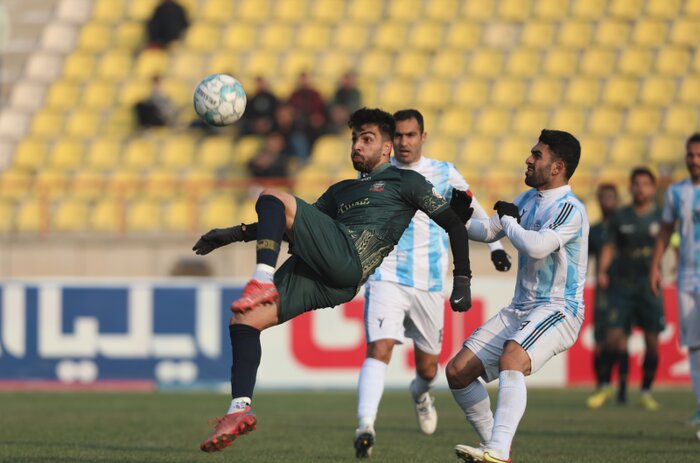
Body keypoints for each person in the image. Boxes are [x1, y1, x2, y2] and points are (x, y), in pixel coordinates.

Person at [191, 108, 474, 453]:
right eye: (354, 138)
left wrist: (462, 279)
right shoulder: (341, 190)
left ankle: (262, 279)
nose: (357, 145)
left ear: (387, 148)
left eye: (366, 139)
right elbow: (282, 219)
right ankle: (239, 409)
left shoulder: (407, 182)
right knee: (243, 321)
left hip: (350, 259)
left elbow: (454, 224)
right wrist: (232, 234)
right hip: (332, 281)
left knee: (271, 194)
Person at [354, 109, 512, 458]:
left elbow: (473, 209)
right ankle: (365, 426)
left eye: (411, 135)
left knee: (428, 368)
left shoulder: (443, 172)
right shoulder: (380, 172)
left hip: (429, 282)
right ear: (389, 139)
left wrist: (496, 246)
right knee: (379, 348)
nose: (404, 142)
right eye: (398, 136)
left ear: (423, 137)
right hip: (387, 275)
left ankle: (421, 393)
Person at [446, 129, 588, 463]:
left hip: (559, 309)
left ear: (557, 167)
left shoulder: (571, 209)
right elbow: (487, 231)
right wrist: (455, 218)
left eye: (537, 155)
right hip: (521, 308)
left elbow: (536, 247)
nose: (528, 158)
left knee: (513, 357)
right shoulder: (526, 201)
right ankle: (495, 449)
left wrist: (508, 221)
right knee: (457, 372)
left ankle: (497, 449)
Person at [589, 167, 663, 411]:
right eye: (636, 184)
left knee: (652, 343)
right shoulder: (621, 217)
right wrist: (602, 271)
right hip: (622, 287)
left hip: (649, 288)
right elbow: (609, 247)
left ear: (652, 188)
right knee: (611, 339)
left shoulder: (661, 217)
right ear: (631, 188)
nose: (640, 188)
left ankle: (645, 391)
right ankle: (606, 387)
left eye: (645, 184)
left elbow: (670, 242)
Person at [650, 133, 700, 427]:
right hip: (686, 277)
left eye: (698, 155)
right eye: (691, 154)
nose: (694, 160)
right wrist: (655, 266)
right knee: (694, 345)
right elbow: (666, 231)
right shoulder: (677, 192)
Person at [586, 183, 620, 405]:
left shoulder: (624, 226)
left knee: (620, 340)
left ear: (616, 200)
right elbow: (584, 258)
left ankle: (622, 388)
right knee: (600, 340)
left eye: (610, 197)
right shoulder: (595, 230)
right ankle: (601, 385)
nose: (606, 202)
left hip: (625, 287)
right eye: (603, 198)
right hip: (603, 289)